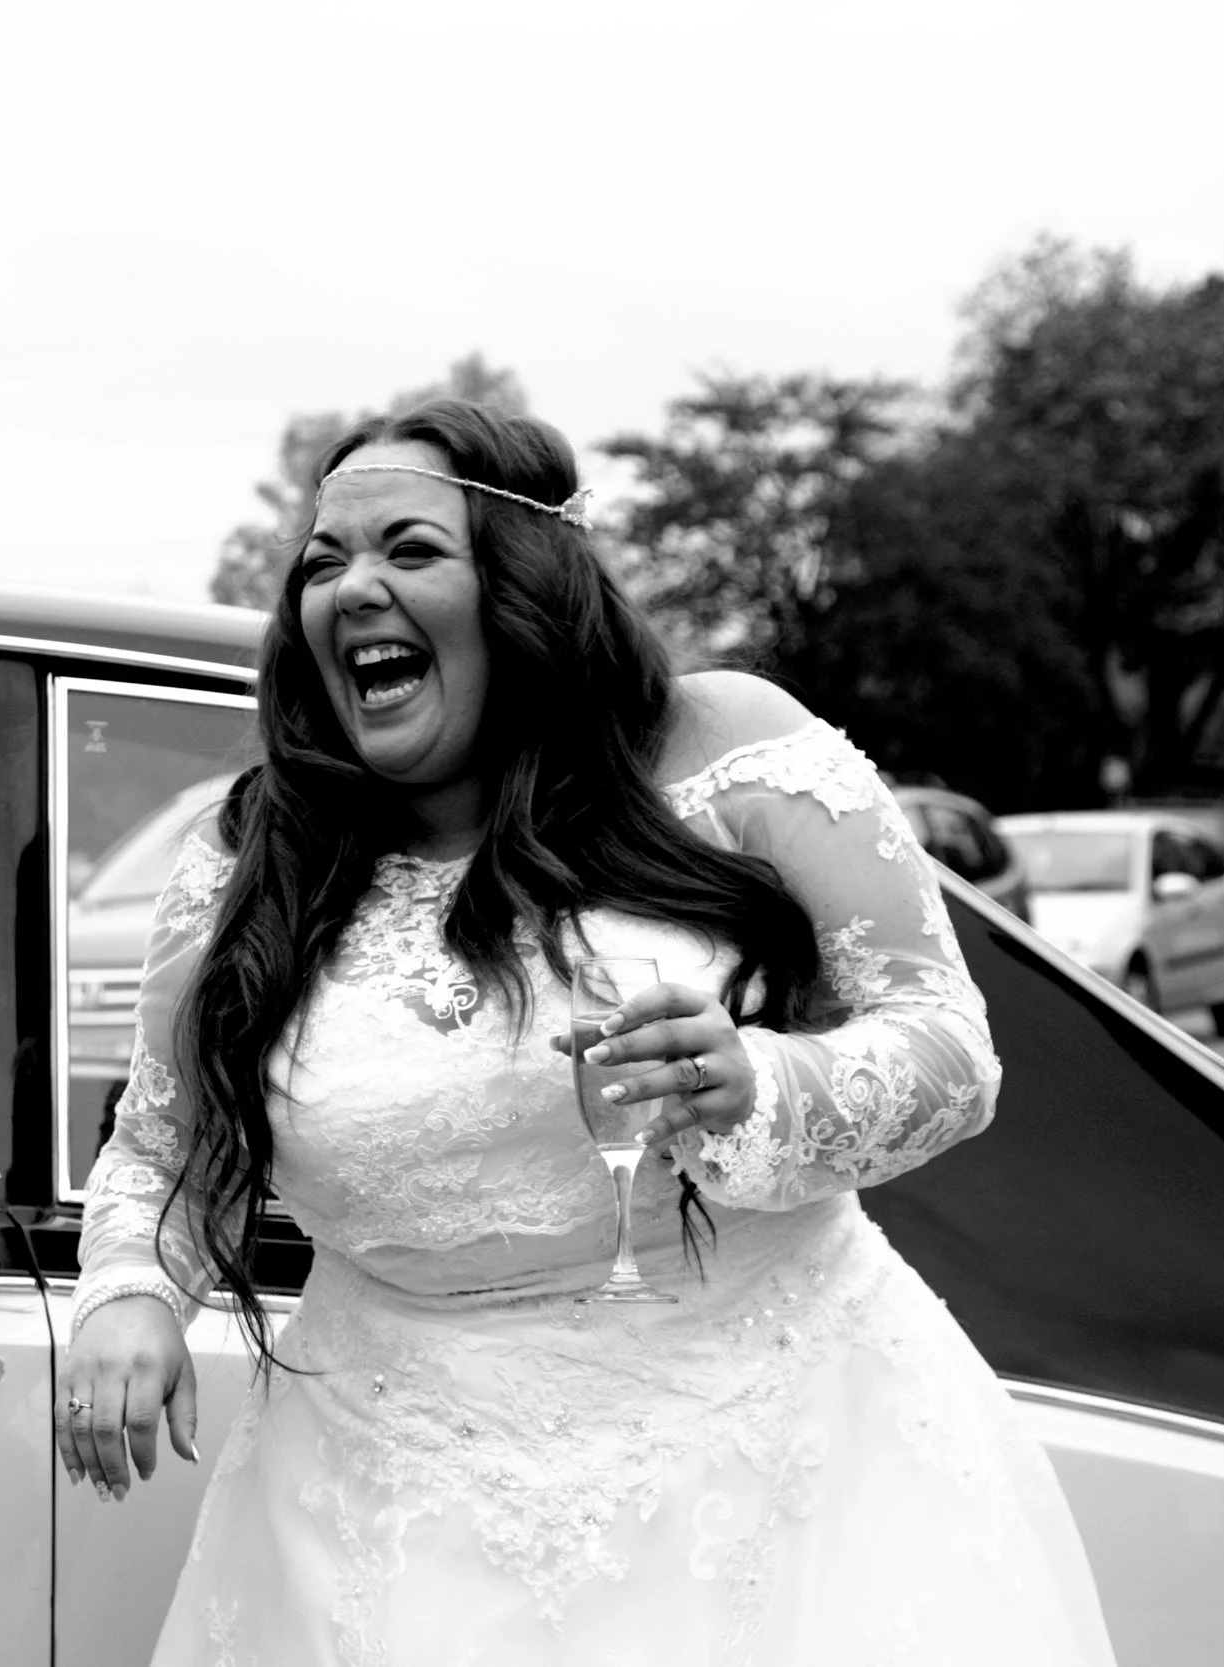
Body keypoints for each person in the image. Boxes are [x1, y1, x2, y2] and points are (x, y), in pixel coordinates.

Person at [58, 400, 1115, 1666]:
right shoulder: (252, 854)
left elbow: (948, 1046)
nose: (352, 589)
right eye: (322, 562)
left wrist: (760, 1081)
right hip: (380, 1516)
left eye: (409, 548)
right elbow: (164, 1146)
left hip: (778, 1485)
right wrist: (130, 1292)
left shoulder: (729, 749)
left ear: (523, 584)